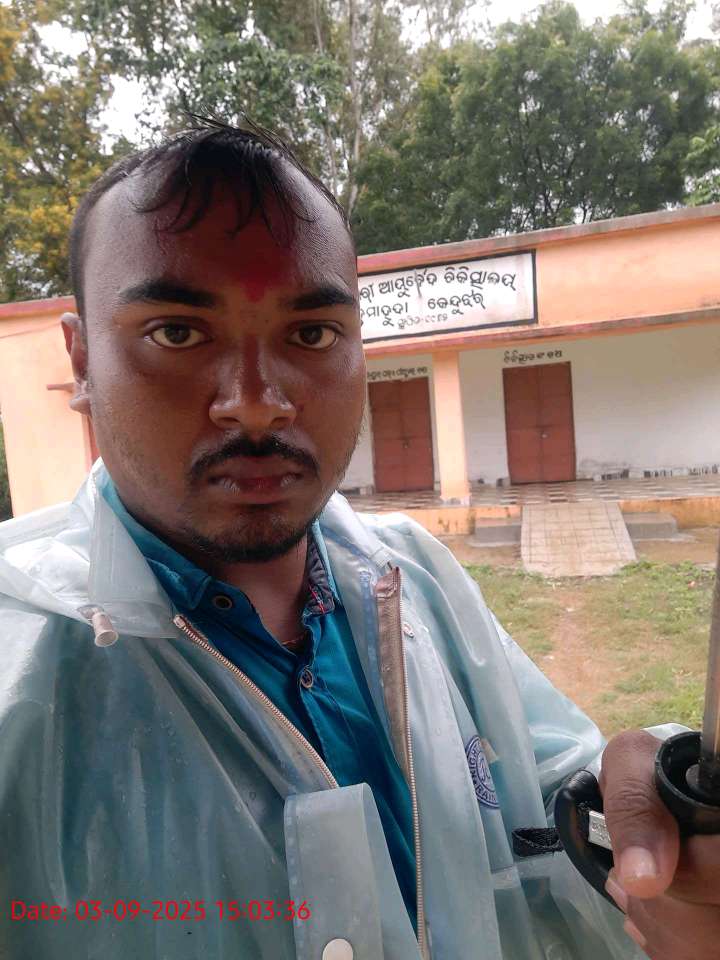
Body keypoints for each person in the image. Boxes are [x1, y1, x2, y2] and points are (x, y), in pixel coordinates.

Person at [0, 117, 716, 960]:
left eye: (311, 334)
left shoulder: (413, 577)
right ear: (81, 360)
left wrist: (664, 831)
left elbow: (554, 794)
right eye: (178, 333)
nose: (257, 401)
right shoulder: (20, 676)